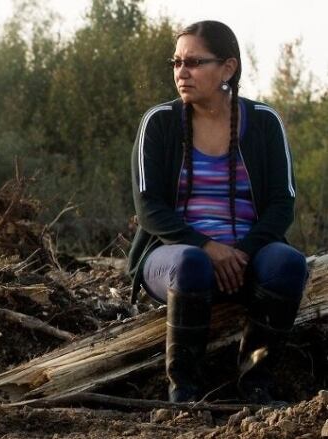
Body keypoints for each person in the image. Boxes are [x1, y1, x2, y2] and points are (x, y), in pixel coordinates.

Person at [127, 20, 309, 404]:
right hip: (176, 256)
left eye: (194, 62)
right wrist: (209, 247)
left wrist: (241, 252)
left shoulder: (263, 122)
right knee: (192, 263)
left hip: (248, 251)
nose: (182, 72)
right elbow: (149, 209)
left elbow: (283, 202)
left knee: (289, 264)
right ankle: (185, 390)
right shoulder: (158, 122)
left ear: (228, 68)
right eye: (176, 62)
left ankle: (255, 380)